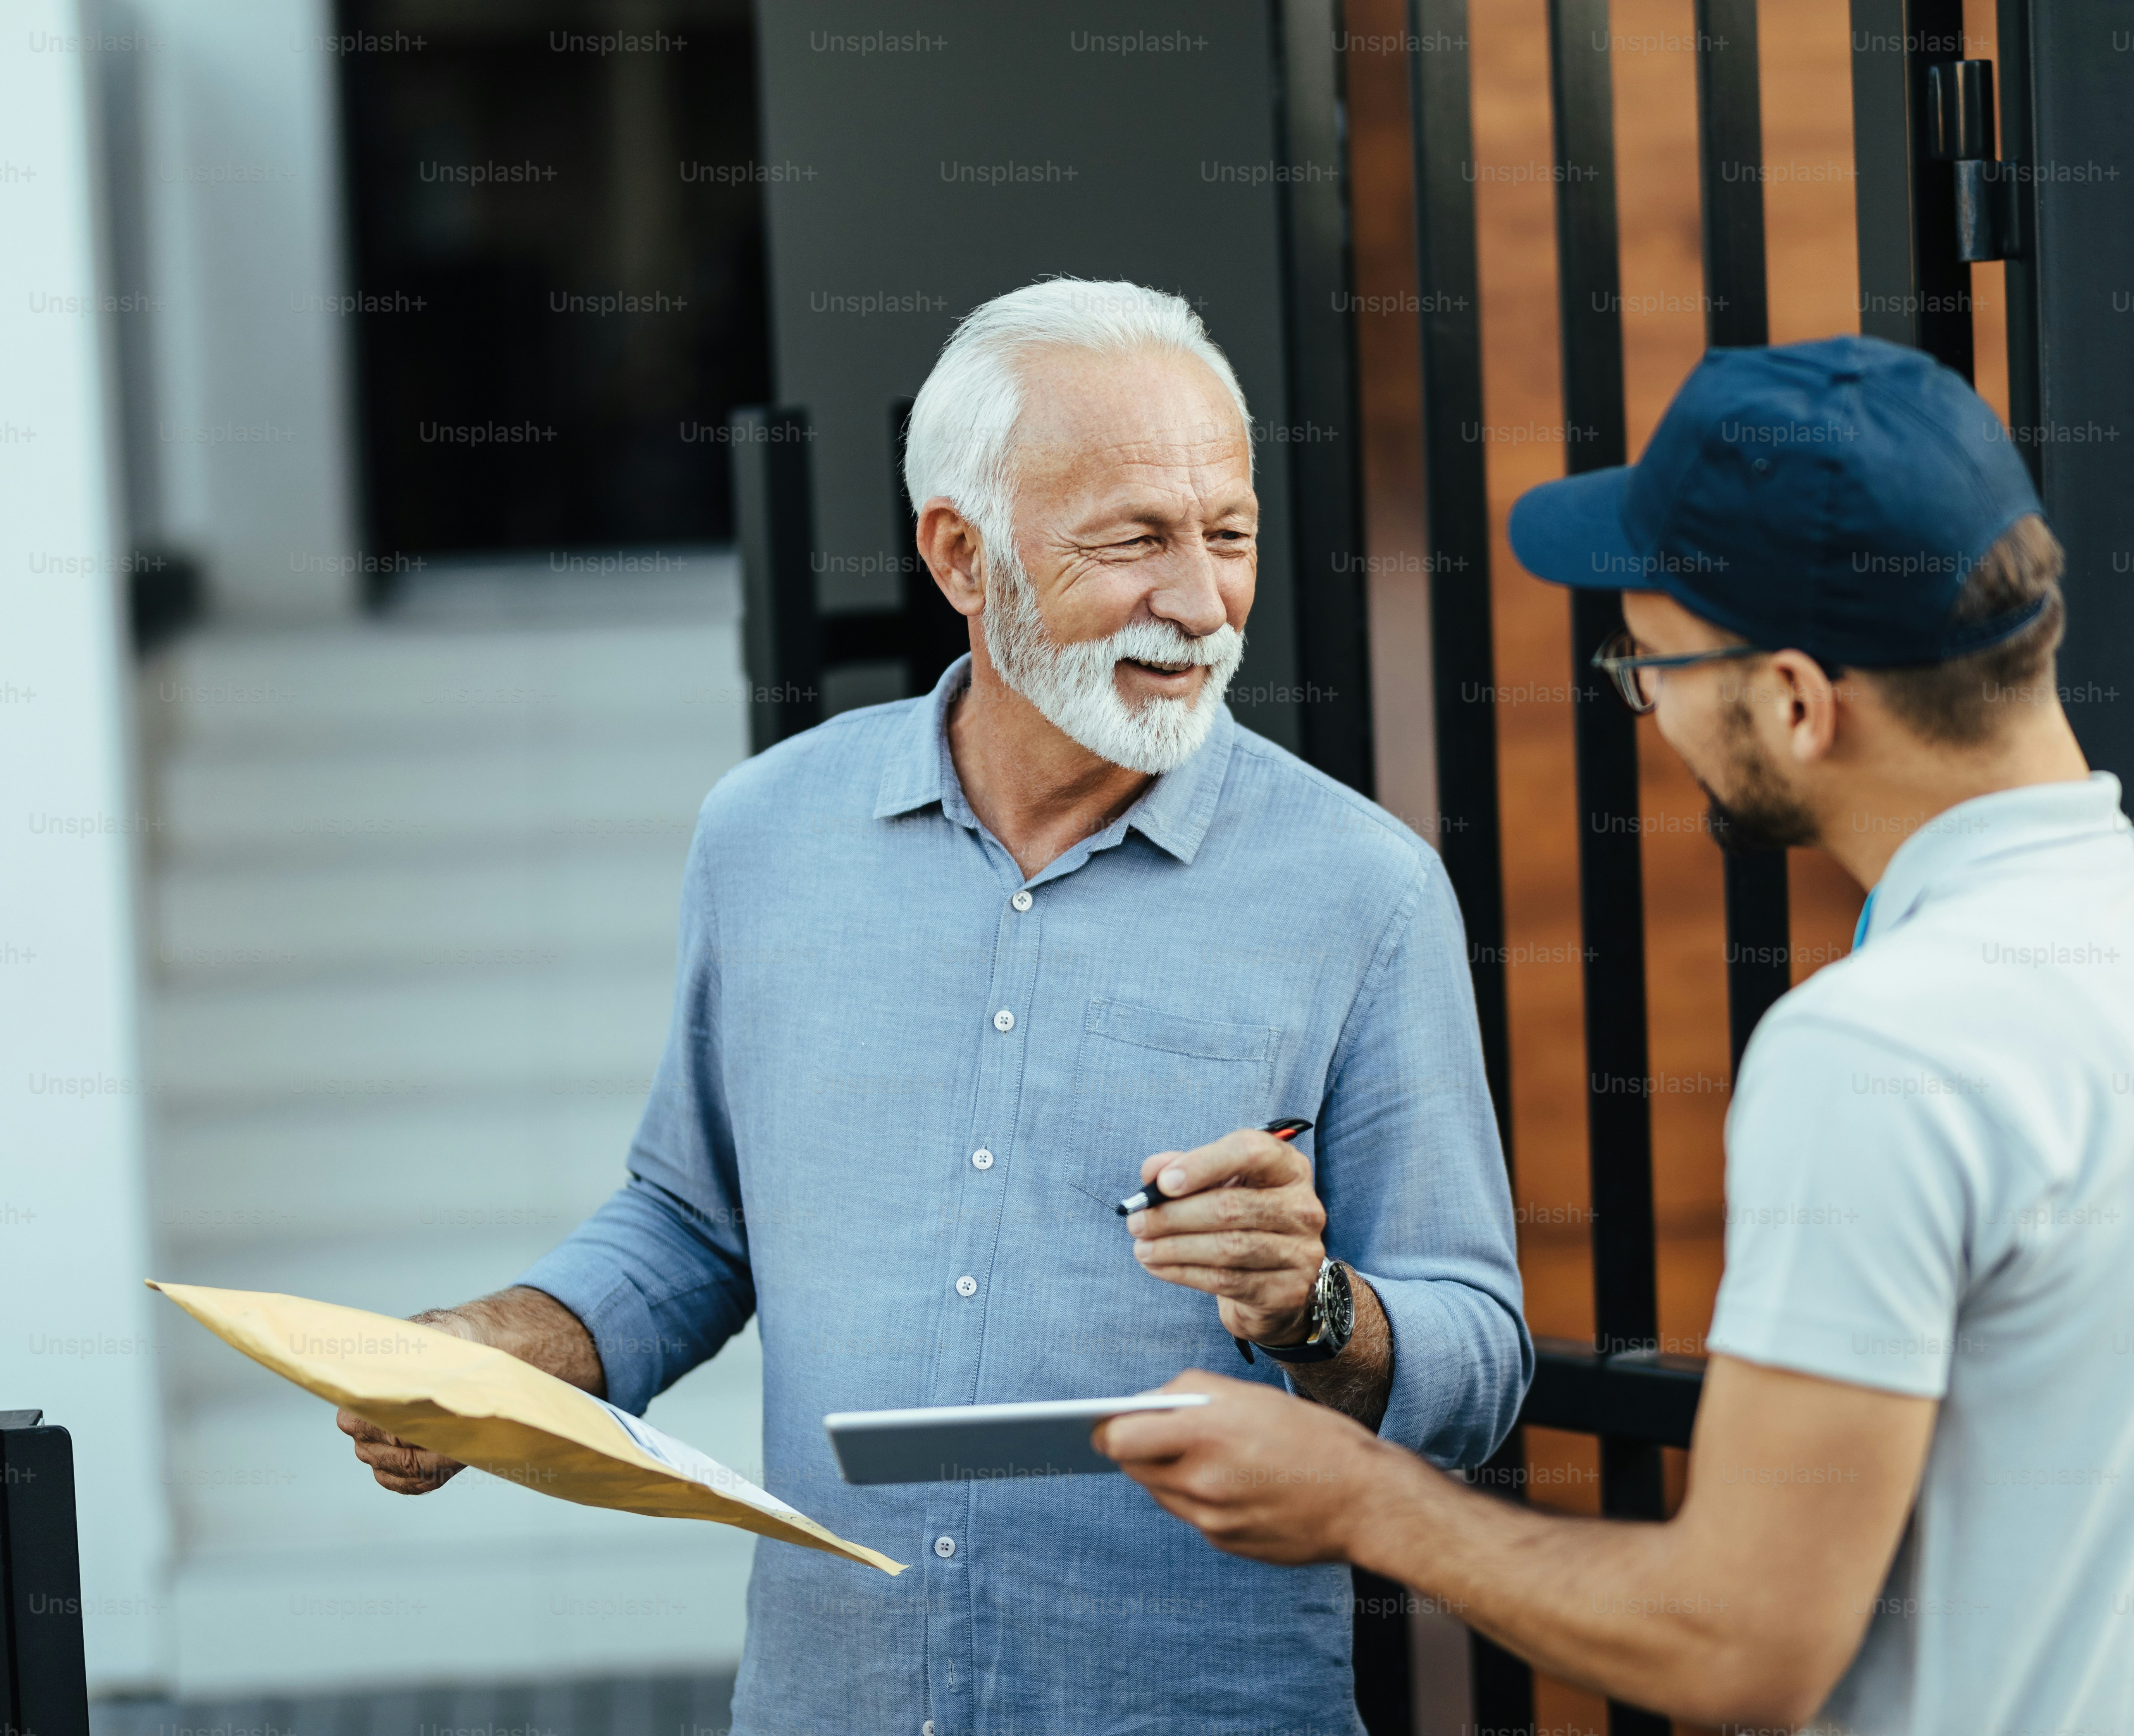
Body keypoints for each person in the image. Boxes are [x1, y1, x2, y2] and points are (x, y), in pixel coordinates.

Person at [1099, 334, 2134, 1733]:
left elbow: (1742, 1646)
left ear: (1800, 702)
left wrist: (1359, 1499)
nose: (1654, 708)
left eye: (1656, 663)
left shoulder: (1877, 1048)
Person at [336, 279, 1530, 1736]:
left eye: (1230, 536)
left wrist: (1317, 1309)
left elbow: (1479, 1367)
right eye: (1135, 542)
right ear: (962, 555)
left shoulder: (1367, 891)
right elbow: (696, 1224)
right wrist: (505, 1348)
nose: (1204, 603)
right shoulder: (767, 833)